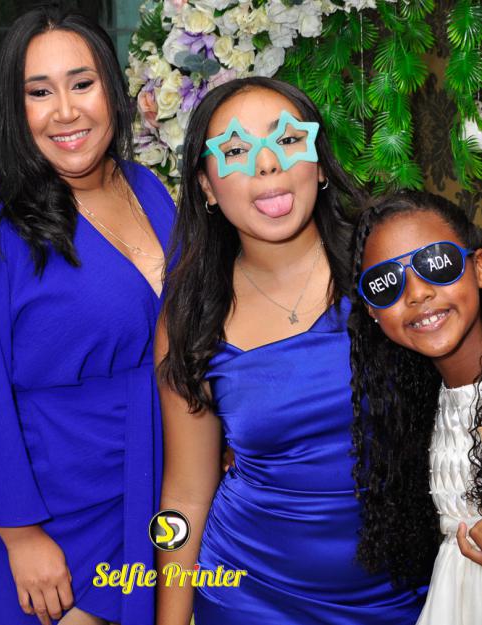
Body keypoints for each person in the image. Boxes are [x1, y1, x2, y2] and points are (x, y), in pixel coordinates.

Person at [0, 6, 174, 625]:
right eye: (39, 92)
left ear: (112, 89)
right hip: (39, 511)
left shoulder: (149, 190)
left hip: (146, 491)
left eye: (82, 83)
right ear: (13, 107)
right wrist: (21, 534)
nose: (65, 111)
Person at [154, 76, 427, 625]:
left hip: (405, 595)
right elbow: (184, 495)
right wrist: (171, 618)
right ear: (207, 186)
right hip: (247, 595)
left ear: (319, 164)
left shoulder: (390, 270)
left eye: (286, 140)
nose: (267, 163)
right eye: (235, 150)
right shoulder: (189, 315)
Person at [348, 191, 482, 625]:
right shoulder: (426, 405)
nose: (418, 293)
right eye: (386, 284)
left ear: (479, 267)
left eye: (437, 263)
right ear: (373, 311)